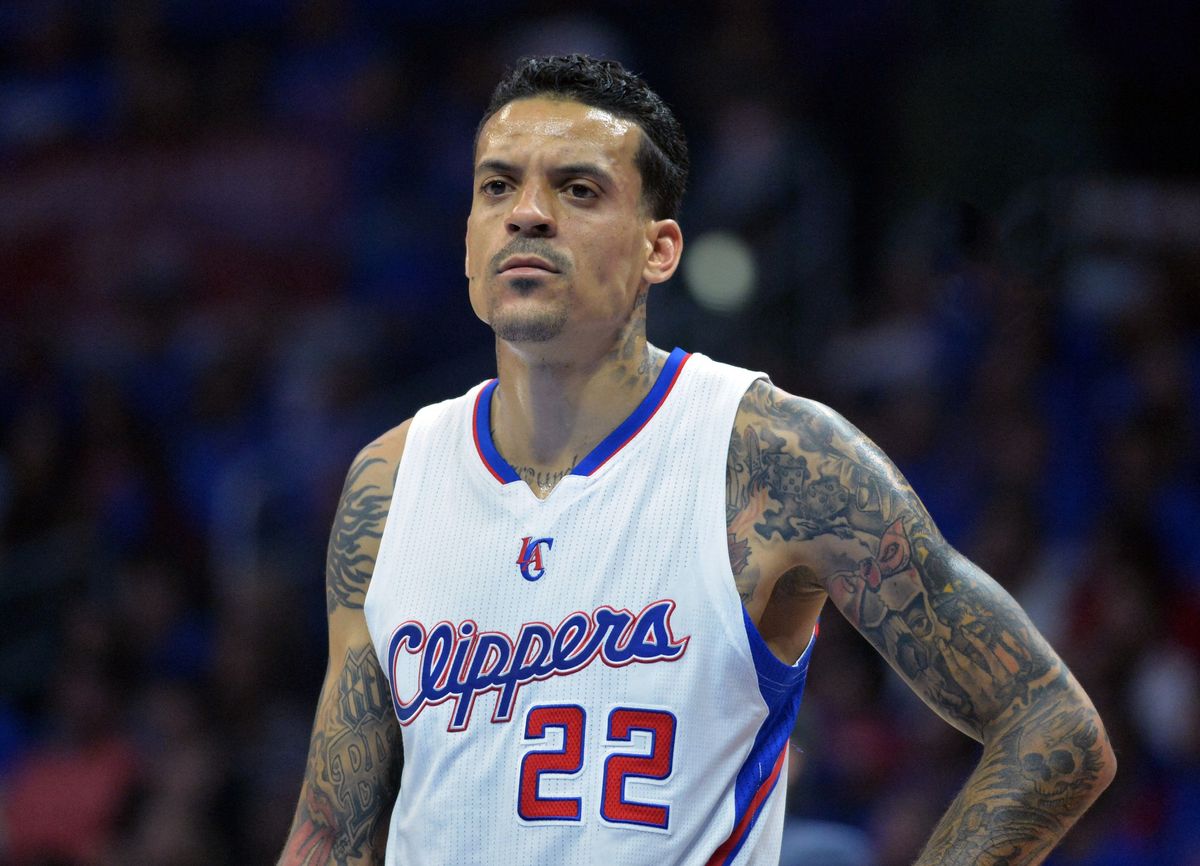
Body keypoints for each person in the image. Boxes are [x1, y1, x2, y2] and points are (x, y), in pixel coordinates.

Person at [279, 54, 1115, 865]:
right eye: (498, 185)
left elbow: (1052, 728)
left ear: (660, 250)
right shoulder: (389, 484)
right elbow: (331, 830)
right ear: (467, 241)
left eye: (577, 190)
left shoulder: (769, 455)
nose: (527, 213)